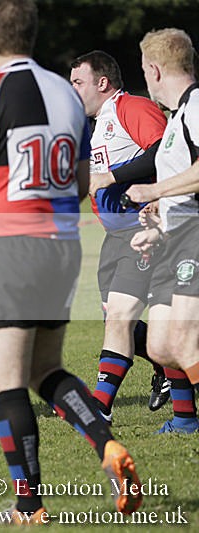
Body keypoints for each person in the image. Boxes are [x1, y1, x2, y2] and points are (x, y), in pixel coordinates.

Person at [0, 0, 142, 522]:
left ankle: (30, 506)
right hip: (63, 248)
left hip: (10, 248)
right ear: (34, 36)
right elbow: (84, 177)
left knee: (8, 384)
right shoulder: (67, 94)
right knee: (47, 370)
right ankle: (107, 445)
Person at [69, 50, 181, 426]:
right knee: (122, 324)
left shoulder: (131, 107)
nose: (73, 90)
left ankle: (99, 405)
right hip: (114, 237)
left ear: (102, 83)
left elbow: (167, 155)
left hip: (144, 231)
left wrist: (113, 179)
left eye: (78, 82)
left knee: (120, 315)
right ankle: (173, 377)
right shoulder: (95, 123)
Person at [126, 28, 199, 432]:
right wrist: (158, 219)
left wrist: (155, 189)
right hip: (174, 240)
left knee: (184, 342)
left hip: (194, 240)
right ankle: (186, 419)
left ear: (153, 70)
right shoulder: (176, 121)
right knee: (160, 346)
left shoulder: (198, 106)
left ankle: (188, 420)